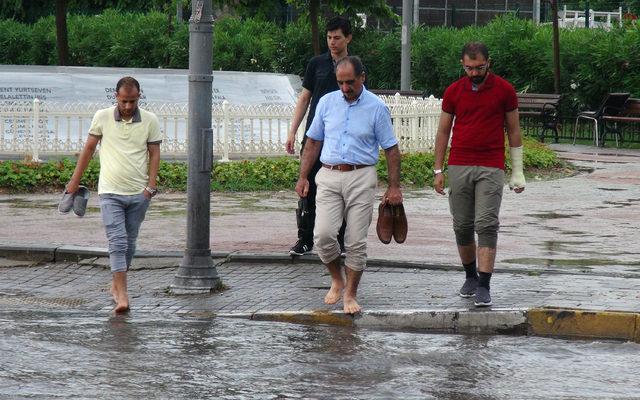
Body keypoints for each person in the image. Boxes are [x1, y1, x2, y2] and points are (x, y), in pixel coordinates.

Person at [295, 56, 402, 314]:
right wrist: (302, 177)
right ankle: (336, 278)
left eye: (350, 82)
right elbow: (312, 143)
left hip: (361, 176)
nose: (345, 88)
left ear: (362, 77)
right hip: (328, 175)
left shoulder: (376, 107)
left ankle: (350, 294)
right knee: (322, 236)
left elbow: (391, 149)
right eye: (340, 82)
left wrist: (394, 187)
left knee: (355, 241)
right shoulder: (326, 102)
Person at [432, 42, 525, 307]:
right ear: (463, 65)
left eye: (479, 67)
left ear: (489, 63)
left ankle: (484, 284)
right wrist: (438, 169)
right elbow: (442, 131)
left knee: (485, 224)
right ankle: (470, 276)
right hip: (459, 164)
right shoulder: (454, 91)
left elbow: (514, 130)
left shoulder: (504, 90)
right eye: (469, 68)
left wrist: (517, 170)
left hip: (491, 165)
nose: (474, 73)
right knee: (462, 225)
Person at [65, 76, 162, 313]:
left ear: (139, 96)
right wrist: (74, 181)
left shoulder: (150, 120)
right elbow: (89, 148)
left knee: (129, 244)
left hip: (139, 195)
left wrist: (150, 187)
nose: (128, 106)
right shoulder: (102, 117)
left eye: (132, 101)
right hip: (109, 192)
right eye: (123, 101)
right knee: (117, 242)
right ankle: (123, 295)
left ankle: (115, 285)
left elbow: (154, 153)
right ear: (116, 98)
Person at [286, 16, 354, 256]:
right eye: (328, 37)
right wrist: (293, 131)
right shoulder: (316, 64)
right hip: (316, 135)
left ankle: (341, 240)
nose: (332, 42)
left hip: (343, 138)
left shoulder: (355, 67)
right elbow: (305, 97)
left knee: (343, 189)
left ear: (348, 38)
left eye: (337, 38)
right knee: (308, 186)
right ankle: (305, 238)